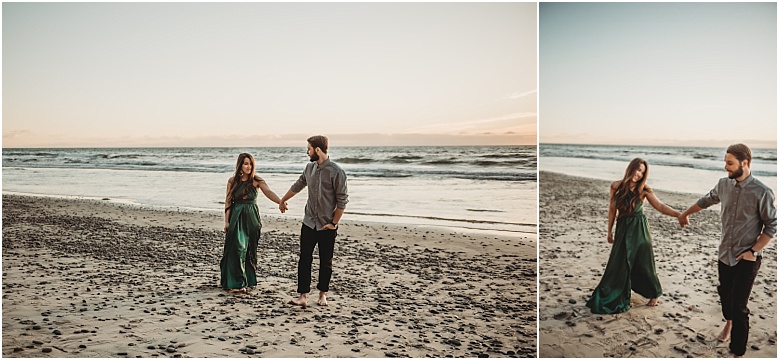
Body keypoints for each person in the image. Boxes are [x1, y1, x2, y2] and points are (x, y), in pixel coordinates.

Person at [678, 144, 776, 358]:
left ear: (745, 163)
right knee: (725, 295)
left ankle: (737, 351)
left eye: (730, 163)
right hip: (725, 254)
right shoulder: (724, 185)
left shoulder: (762, 192)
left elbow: (771, 226)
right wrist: (685, 213)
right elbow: (706, 200)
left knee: (739, 307)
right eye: (725, 162)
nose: (726, 167)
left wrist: (754, 251)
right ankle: (728, 323)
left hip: (747, 257)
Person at [586, 158, 683, 314]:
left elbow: (660, 206)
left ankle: (654, 294)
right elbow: (612, 210)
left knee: (643, 263)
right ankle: (615, 293)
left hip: (640, 229)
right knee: (619, 263)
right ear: (630, 168)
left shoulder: (644, 190)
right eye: (637, 169)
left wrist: (678, 214)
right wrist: (609, 231)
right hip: (623, 228)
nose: (638, 174)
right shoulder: (616, 186)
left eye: (642, 172)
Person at [279, 135, 348, 307]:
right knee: (304, 259)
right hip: (309, 222)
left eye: (309, 149)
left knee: (326, 261)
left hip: (327, 225)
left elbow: (342, 200)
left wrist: (334, 223)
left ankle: (323, 294)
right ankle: (303, 296)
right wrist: (282, 199)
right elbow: (298, 185)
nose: (307, 152)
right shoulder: (309, 168)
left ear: (317, 150)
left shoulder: (337, 171)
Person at [221, 152, 284, 293]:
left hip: (252, 219)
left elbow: (268, 192)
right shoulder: (232, 181)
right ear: (240, 165)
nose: (248, 166)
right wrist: (226, 221)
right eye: (245, 163)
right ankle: (236, 283)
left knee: (250, 250)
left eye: (250, 163)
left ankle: (248, 280)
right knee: (237, 248)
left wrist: (280, 201)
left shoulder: (257, 181)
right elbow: (228, 201)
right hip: (236, 216)